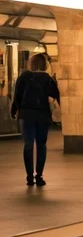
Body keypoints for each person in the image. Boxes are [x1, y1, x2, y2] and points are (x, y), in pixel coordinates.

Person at [10, 53, 60, 186]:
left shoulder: (23, 77)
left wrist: (14, 111)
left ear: (31, 63)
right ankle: (39, 176)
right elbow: (55, 95)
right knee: (41, 145)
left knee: (28, 144)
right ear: (44, 64)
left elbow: (17, 96)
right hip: (42, 116)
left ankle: (29, 177)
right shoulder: (47, 78)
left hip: (26, 116)